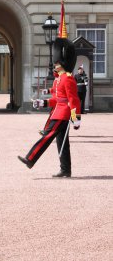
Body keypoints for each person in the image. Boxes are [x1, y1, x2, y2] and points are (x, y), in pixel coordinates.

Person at [18, 38, 81, 178]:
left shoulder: (68, 79)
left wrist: (76, 118)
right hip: (58, 112)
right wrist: (43, 103)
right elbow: (57, 100)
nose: (55, 65)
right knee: (62, 144)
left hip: (63, 114)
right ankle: (65, 170)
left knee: (47, 136)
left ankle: (30, 158)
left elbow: (73, 100)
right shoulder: (59, 79)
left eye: (57, 63)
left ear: (63, 63)